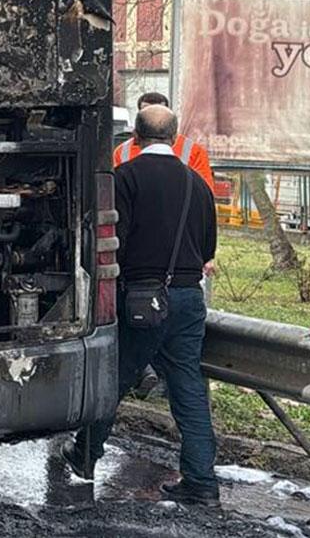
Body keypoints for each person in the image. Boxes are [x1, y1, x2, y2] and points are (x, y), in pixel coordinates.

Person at [62, 104, 220, 506]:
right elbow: (207, 248)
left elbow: (116, 243)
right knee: (188, 390)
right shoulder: (196, 185)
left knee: (114, 380)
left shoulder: (125, 178)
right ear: (175, 136)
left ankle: (85, 458)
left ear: (134, 136)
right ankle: (201, 482)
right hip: (188, 298)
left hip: (141, 298)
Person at [113, 91, 214, 192]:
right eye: (149, 114)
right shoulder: (122, 151)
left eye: (159, 114)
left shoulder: (194, 151)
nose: (155, 119)